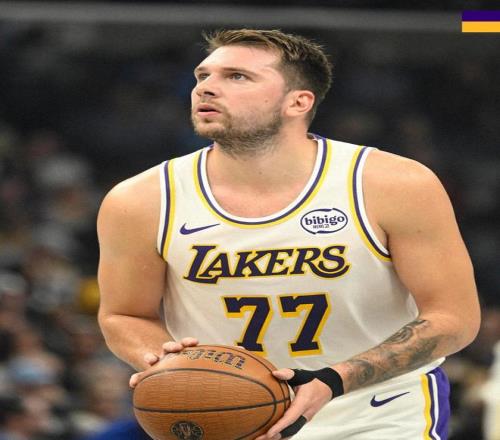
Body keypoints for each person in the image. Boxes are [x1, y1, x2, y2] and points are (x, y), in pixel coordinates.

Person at [97, 29, 480, 439]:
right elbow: (124, 314)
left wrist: (335, 379)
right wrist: (163, 360)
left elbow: (454, 318)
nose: (205, 88)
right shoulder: (140, 200)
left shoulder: (393, 184)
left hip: (377, 412)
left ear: (298, 102)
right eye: (202, 76)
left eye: (237, 76)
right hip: (232, 415)